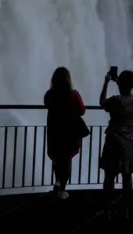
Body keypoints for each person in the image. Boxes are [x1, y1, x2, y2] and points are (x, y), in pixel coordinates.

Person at [99, 69, 133, 219]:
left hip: (115, 140)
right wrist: (118, 81)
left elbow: (102, 102)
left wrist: (106, 83)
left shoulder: (116, 100)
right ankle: (125, 210)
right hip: (131, 141)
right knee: (127, 176)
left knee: (110, 176)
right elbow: (126, 92)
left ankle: (107, 210)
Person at [44, 67, 86, 199]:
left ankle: (57, 182)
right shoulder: (73, 95)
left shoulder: (50, 94)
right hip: (69, 132)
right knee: (67, 160)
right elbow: (82, 111)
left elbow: (47, 104)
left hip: (55, 131)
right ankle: (62, 188)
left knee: (57, 158)